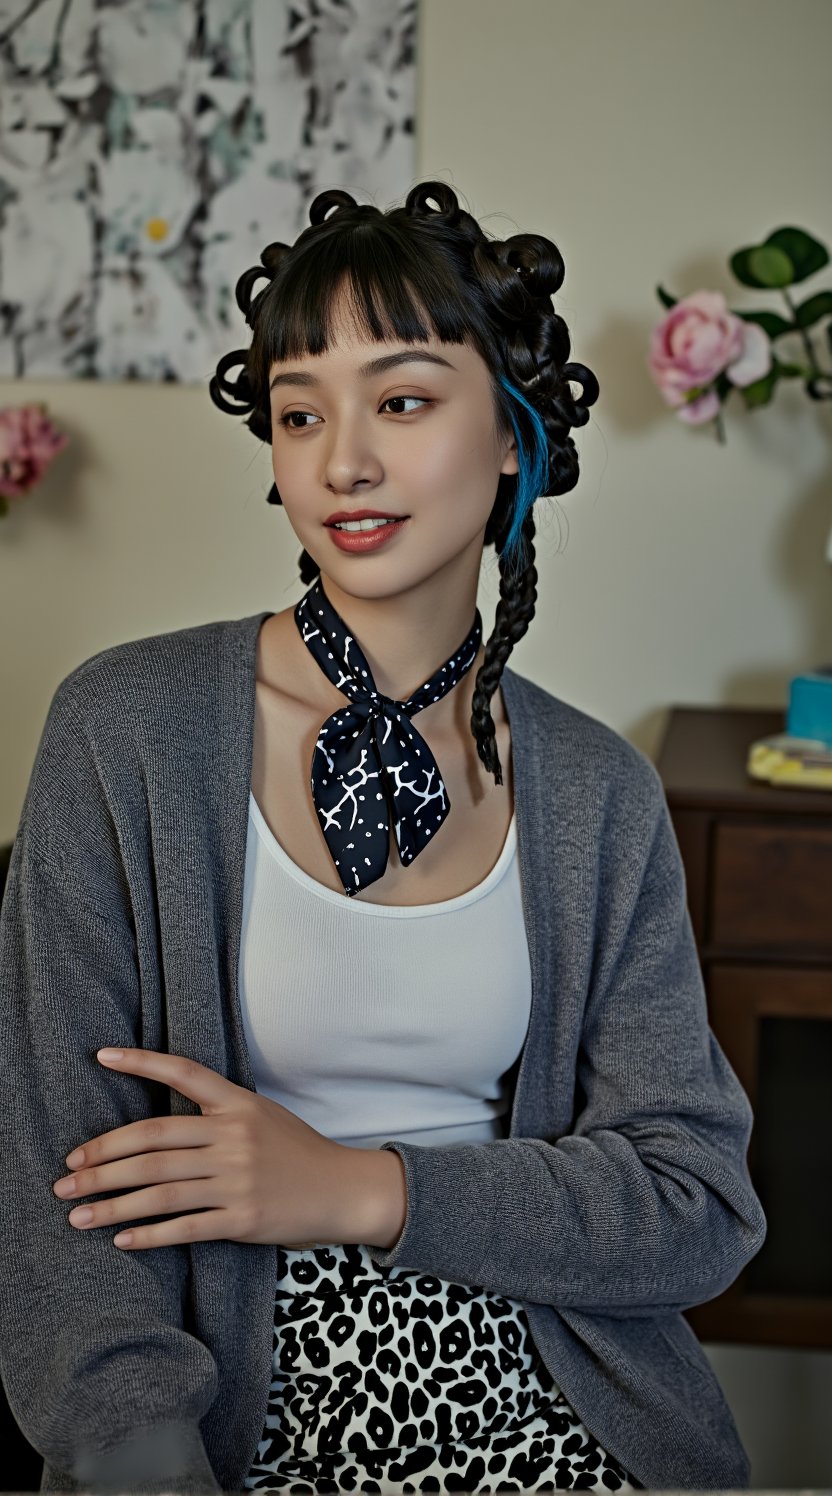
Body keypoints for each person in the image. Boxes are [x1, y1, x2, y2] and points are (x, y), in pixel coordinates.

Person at [0, 179, 766, 1495]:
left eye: (402, 400)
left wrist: (360, 1190)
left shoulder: (598, 793)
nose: (341, 461)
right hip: (226, 1420)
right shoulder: (123, 733)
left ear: (514, 437)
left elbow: (697, 1206)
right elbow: (54, 1196)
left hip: (560, 1397)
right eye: (301, 414)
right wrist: (137, 1458)